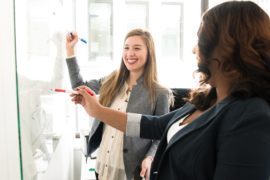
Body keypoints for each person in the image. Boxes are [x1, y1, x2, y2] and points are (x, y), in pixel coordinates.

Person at [71, 1, 270, 180]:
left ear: (226, 47)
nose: (194, 49)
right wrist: (97, 111)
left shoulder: (251, 116)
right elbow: (155, 126)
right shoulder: (206, 98)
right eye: (126, 48)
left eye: (200, 39)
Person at [65, 28, 173, 180]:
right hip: (103, 165)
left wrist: (149, 158)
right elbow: (79, 86)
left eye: (137, 48)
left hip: (128, 172)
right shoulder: (112, 80)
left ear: (149, 53)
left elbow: (161, 136)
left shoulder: (160, 93)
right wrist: (70, 50)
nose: (130, 53)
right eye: (126, 48)